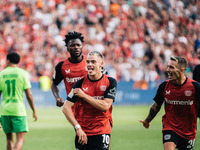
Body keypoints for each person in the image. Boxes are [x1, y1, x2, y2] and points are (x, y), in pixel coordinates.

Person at [140, 56, 200, 150]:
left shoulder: (195, 87)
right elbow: (156, 106)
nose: (167, 70)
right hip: (170, 127)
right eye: (168, 66)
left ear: (181, 70)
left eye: (171, 67)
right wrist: (147, 121)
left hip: (188, 131)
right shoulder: (164, 86)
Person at [62, 51, 117, 150]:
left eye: (93, 62)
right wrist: (77, 127)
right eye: (88, 62)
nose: (90, 65)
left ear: (101, 64)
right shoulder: (79, 83)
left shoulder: (110, 82)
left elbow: (105, 106)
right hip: (83, 132)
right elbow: (65, 108)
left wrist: (84, 96)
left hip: (102, 130)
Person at [0, 52, 37, 150]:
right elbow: (28, 94)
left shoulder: (1, 74)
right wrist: (34, 110)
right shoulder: (23, 73)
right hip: (18, 110)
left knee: (9, 140)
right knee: (20, 139)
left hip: (4, 111)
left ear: (8, 61)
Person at [51, 31, 88, 107]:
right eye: (72, 45)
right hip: (73, 108)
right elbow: (54, 84)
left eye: (78, 45)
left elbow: (103, 79)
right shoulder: (61, 66)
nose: (76, 47)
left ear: (82, 47)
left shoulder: (90, 62)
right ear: (67, 48)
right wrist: (57, 98)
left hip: (91, 106)